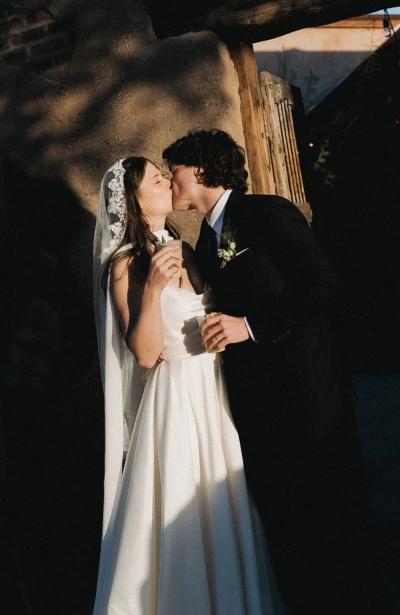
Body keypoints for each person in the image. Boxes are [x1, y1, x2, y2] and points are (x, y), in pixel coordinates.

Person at [162, 129, 386, 615]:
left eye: (173, 169)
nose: (168, 179)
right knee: (293, 533)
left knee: (338, 526)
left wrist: (250, 327)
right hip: (260, 408)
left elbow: (323, 285)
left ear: (200, 170)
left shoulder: (265, 212)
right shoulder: (204, 239)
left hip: (309, 398)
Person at [93, 156, 285, 614]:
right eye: (156, 180)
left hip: (214, 391)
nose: (166, 181)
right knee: (185, 506)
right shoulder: (126, 264)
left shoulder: (186, 246)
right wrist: (155, 290)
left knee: (223, 504)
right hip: (176, 398)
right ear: (136, 202)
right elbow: (143, 353)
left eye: (164, 175)